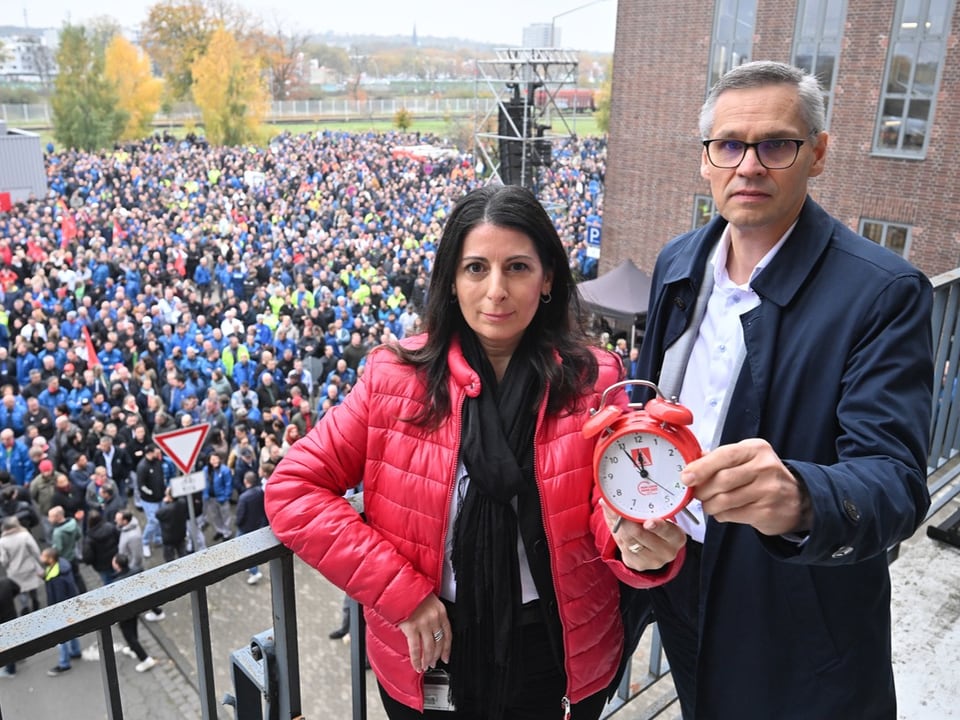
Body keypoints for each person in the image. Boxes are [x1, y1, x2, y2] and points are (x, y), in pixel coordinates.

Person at [265, 185, 686, 719]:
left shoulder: (594, 380)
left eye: (516, 267)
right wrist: (403, 594)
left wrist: (638, 545)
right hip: (430, 641)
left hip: (558, 650)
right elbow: (292, 489)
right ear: (452, 280)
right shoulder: (396, 378)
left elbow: (602, 512)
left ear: (548, 277)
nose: (496, 292)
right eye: (476, 269)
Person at [632, 61, 934, 719]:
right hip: (681, 580)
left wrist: (800, 497)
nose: (749, 166)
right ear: (706, 160)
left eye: (776, 144)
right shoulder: (678, 263)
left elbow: (897, 485)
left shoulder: (882, 293)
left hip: (797, 613)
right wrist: (631, 515)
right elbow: (646, 411)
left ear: (818, 154)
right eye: (729, 145)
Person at [110, 553, 158, 673]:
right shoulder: (136, 571)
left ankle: (145, 659)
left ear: (117, 566)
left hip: (125, 613)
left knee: (129, 636)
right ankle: (133, 648)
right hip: (135, 607)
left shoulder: (116, 582)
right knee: (133, 629)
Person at [40, 546, 83, 676]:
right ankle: (75, 651)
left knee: (61, 637)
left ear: (51, 559)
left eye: (43, 556)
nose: (41, 558)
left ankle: (64, 663)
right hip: (69, 606)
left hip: (61, 610)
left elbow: (58, 597)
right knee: (71, 630)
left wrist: (54, 614)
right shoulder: (61, 566)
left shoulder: (56, 578)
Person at [0, 515, 43, 615]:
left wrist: (7, 566)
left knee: (21, 591)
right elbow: (35, 551)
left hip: (14, 571)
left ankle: (25, 608)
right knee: (32, 587)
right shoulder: (25, 535)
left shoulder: (2, 542)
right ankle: (35, 602)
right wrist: (39, 562)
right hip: (29, 567)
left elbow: (4, 559)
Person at [235, 472, 268, 585]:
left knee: (244, 548)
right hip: (256, 524)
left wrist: (238, 523)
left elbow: (240, 515)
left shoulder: (244, 497)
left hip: (245, 527)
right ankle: (251, 567)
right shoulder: (260, 492)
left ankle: (254, 571)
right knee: (251, 547)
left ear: (245, 481)